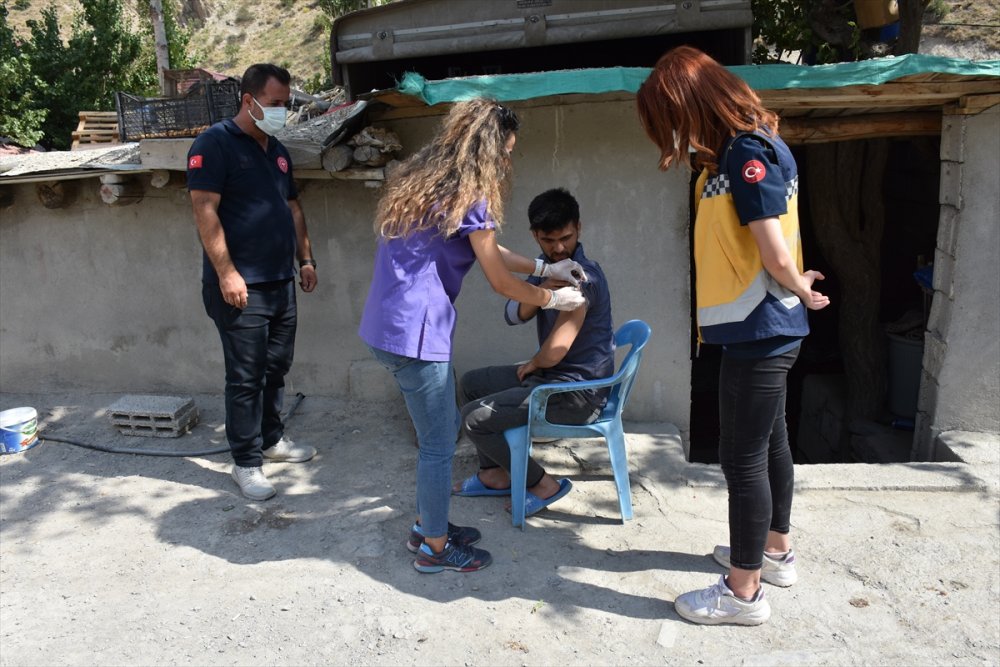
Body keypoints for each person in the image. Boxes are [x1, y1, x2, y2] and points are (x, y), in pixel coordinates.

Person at [636, 46, 831, 625]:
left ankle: (742, 592)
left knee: (741, 458)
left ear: (694, 102)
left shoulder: (748, 151)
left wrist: (799, 283)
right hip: (758, 327)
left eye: (673, 118)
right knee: (770, 445)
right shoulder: (739, 152)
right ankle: (774, 553)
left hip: (761, 328)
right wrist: (796, 282)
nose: (675, 133)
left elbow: (772, 245)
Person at [359, 99, 589, 574]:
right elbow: (500, 282)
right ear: (486, 148)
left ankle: (430, 524)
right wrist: (552, 298)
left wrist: (544, 266)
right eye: (505, 150)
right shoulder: (470, 195)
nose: (507, 160)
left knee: (435, 436)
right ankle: (435, 549)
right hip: (416, 336)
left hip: (385, 327)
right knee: (439, 444)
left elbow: (488, 246)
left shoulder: (426, 186)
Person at [188, 63, 319, 501]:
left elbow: (294, 208)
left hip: (281, 280)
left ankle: (271, 439)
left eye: (286, 104)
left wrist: (306, 258)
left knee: (276, 366)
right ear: (249, 100)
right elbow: (204, 209)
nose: (283, 110)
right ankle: (246, 462)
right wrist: (226, 272)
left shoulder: (277, 150)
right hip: (240, 286)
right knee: (245, 377)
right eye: (277, 103)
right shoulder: (215, 143)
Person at [453, 188, 614, 517]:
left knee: (474, 418)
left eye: (565, 238)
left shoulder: (584, 278)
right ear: (535, 236)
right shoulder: (552, 270)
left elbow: (555, 352)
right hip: (552, 378)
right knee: (471, 384)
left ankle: (543, 485)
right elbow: (513, 314)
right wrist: (542, 291)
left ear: (578, 228)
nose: (558, 248)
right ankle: (494, 474)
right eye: (547, 240)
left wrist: (533, 364)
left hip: (575, 394)